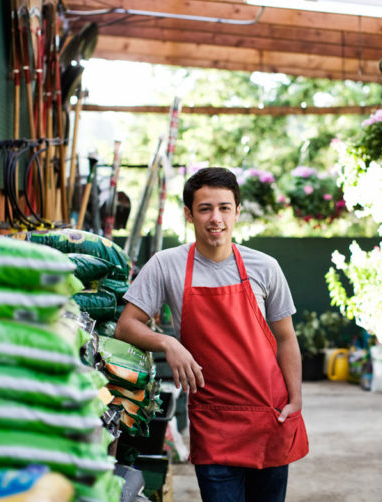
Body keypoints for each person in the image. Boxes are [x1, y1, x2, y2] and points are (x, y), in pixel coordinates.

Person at [116, 167, 309, 501]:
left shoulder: (265, 267)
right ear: (190, 214)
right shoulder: (167, 265)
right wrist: (168, 342)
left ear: (237, 211)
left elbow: (286, 338)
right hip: (214, 420)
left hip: (269, 415)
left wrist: (295, 399)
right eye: (205, 208)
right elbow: (126, 325)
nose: (215, 218)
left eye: (224, 207)